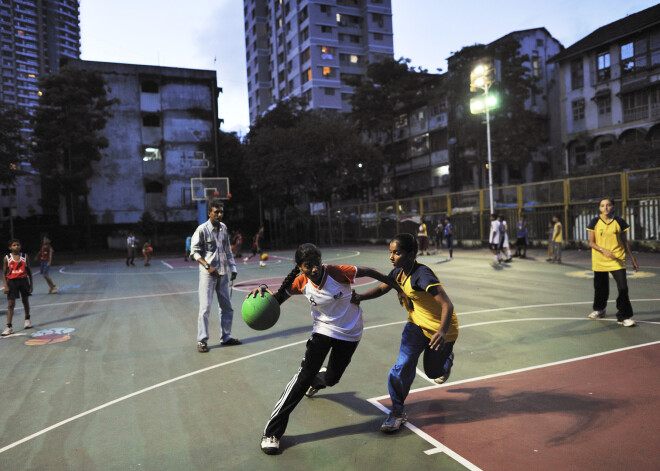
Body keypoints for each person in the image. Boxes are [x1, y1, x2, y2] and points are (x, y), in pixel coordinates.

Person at [251, 243, 410, 455]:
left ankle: (315, 381)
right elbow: (277, 299)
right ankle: (272, 433)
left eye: (317, 263)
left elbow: (370, 271)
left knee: (333, 378)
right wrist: (263, 289)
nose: (315, 269)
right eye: (308, 266)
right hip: (323, 330)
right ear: (301, 267)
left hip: (350, 331)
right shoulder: (301, 281)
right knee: (302, 377)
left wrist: (398, 288)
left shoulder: (336, 272)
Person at [352, 233, 459, 434]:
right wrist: (360, 297)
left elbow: (447, 304)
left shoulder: (422, 275)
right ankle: (397, 412)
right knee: (402, 366)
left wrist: (443, 331)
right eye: (391, 253)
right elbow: (382, 289)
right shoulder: (399, 273)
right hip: (416, 327)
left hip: (442, 330)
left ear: (410, 254)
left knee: (433, 373)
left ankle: (446, 359)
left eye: (397, 253)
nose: (391, 257)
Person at [191, 199, 240, 352]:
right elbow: (194, 252)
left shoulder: (224, 228)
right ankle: (202, 341)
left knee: (227, 307)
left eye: (221, 212)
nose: (219, 214)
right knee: (205, 308)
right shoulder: (202, 229)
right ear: (209, 213)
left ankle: (226, 337)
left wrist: (233, 267)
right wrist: (207, 265)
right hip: (208, 275)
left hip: (224, 273)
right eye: (216, 212)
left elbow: (228, 250)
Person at [586, 198, 639, 327]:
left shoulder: (619, 222)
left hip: (617, 259)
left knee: (623, 288)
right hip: (600, 259)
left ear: (613, 207)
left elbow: (625, 241)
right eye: (602, 205)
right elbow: (591, 242)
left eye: (608, 205)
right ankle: (600, 309)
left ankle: (623, 316)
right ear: (599, 208)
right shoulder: (595, 222)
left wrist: (632, 258)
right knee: (600, 288)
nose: (605, 208)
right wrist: (603, 250)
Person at [2, 239, 33, 335]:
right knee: (11, 304)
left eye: (18, 245)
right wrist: (5, 285)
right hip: (12, 282)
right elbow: (3, 273)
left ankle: (27, 320)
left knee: (25, 301)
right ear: (10, 247)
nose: (17, 246)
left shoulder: (24, 256)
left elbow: (29, 271)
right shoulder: (7, 258)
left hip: (23, 281)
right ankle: (9, 326)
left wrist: (31, 284)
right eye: (14, 245)